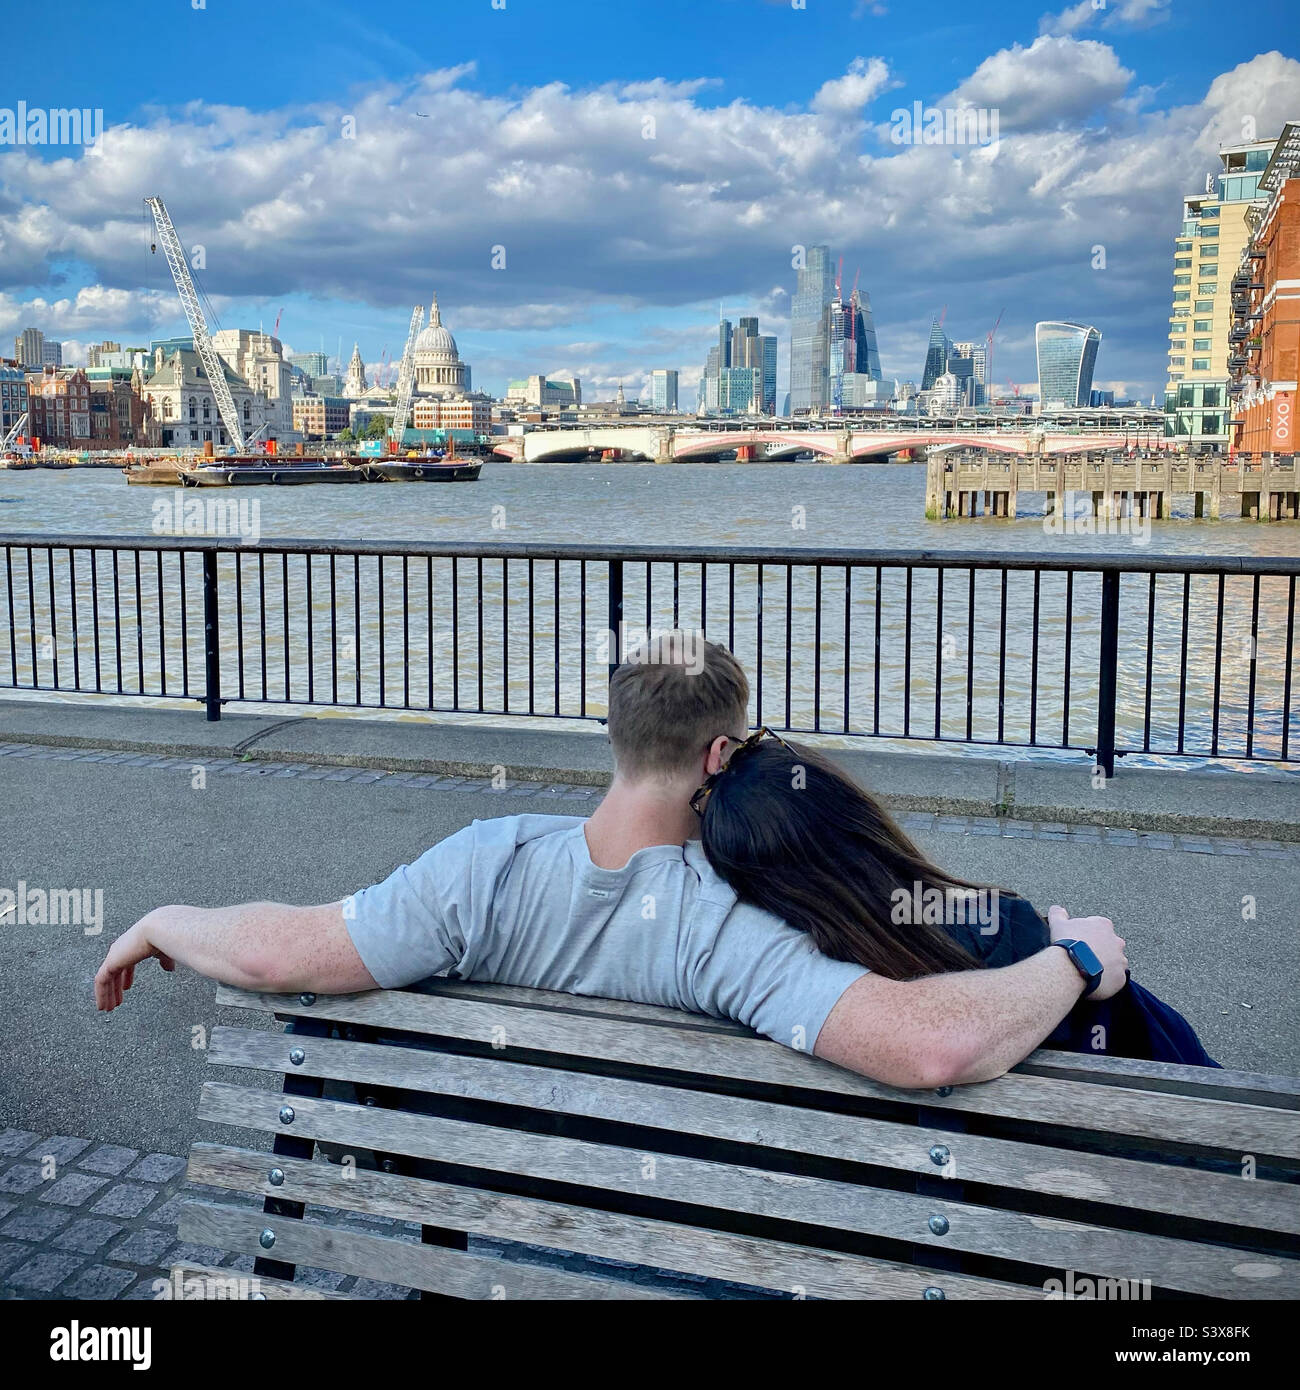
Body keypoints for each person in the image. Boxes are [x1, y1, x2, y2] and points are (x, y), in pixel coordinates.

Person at [93, 632, 1130, 1090]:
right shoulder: (728, 924)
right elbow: (930, 1051)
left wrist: (166, 917)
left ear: (616, 736)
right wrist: (1074, 959)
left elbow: (283, 952)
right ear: (721, 755)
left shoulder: (481, 868)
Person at [694, 729, 1218, 1067]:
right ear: (857, 820)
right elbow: (1182, 1070)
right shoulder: (1003, 934)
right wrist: (1082, 959)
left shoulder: (750, 983)